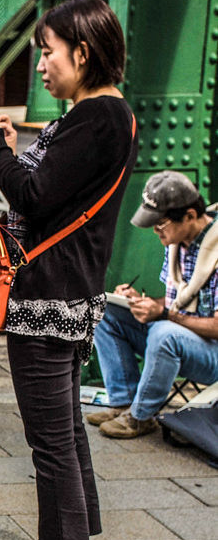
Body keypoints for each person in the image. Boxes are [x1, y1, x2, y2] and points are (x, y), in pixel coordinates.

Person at [0, 0, 137, 540]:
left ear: (82, 53)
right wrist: (7, 139)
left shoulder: (98, 118)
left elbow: (30, 194)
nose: (40, 65)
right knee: (64, 429)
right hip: (67, 293)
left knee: (49, 437)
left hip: (49, 296)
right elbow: (51, 183)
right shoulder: (103, 115)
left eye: (48, 51)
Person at [90, 172, 218, 437]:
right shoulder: (176, 241)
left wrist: (162, 313)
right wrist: (139, 301)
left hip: (212, 353)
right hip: (186, 335)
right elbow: (178, 302)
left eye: (160, 224)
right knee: (106, 310)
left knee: (164, 333)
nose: (155, 230)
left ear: (191, 215)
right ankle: (123, 403)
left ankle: (141, 417)